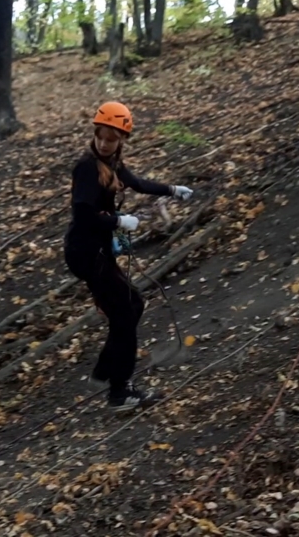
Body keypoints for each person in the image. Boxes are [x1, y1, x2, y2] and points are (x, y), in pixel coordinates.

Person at [64, 101, 193, 411]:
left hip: (98, 251)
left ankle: (105, 372)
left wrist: (172, 189)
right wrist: (119, 221)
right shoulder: (87, 167)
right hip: (85, 253)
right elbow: (83, 213)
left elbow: (137, 184)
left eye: (111, 139)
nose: (104, 144)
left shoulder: (113, 164)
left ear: (121, 140)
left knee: (133, 305)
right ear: (94, 134)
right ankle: (120, 392)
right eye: (100, 137)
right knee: (125, 312)